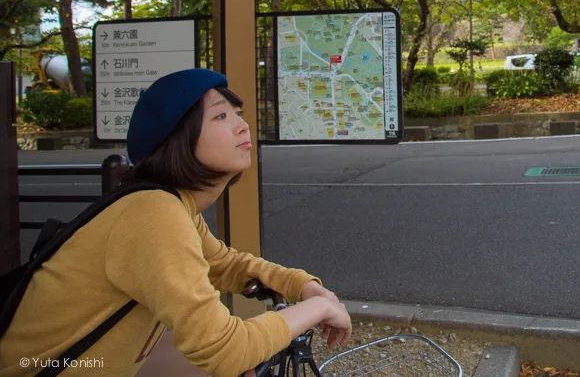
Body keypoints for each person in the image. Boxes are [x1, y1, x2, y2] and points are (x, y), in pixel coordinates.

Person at [0, 68, 352, 377]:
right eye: (220, 117)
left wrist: (302, 286)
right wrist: (318, 308)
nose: (242, 125)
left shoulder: (171, 203)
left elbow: (224, 264)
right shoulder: (154, 214)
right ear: (179, 140)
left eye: (238, 113)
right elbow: (224, 350)